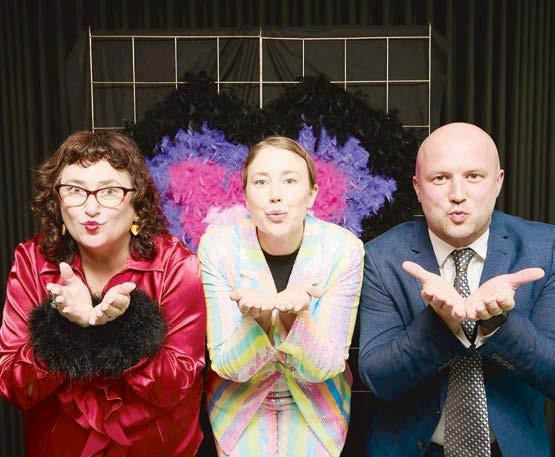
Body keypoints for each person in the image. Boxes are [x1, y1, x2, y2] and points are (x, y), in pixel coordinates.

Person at [0, 131, 206, 456]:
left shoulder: (177, 265)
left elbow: (175, 384)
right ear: (57, 203)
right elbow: (14, 386)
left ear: (137, 206)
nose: (91, 207)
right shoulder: (32, 261)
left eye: (110, 191)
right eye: (75, 190)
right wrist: (64, 329)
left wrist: (120, 328)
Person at [358, 122, 554, 457]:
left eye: (474, 176)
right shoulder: (382, 256)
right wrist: (440, 325)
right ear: (418, 188)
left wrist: (498, 323)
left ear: (498, 182)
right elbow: (377, 380)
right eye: (440, 178)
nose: (457, 194)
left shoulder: (545, 248)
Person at [198, 136, 364, 456]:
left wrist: (294, 318)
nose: (275, 195)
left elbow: (326, 366)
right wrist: (258, 320)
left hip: (319, 408)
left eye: (290, 181)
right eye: (261, 182)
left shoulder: (343, 249)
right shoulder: (218, 248)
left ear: (312, 193)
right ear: (245, 194)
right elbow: (227, 367)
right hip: (237, 407)